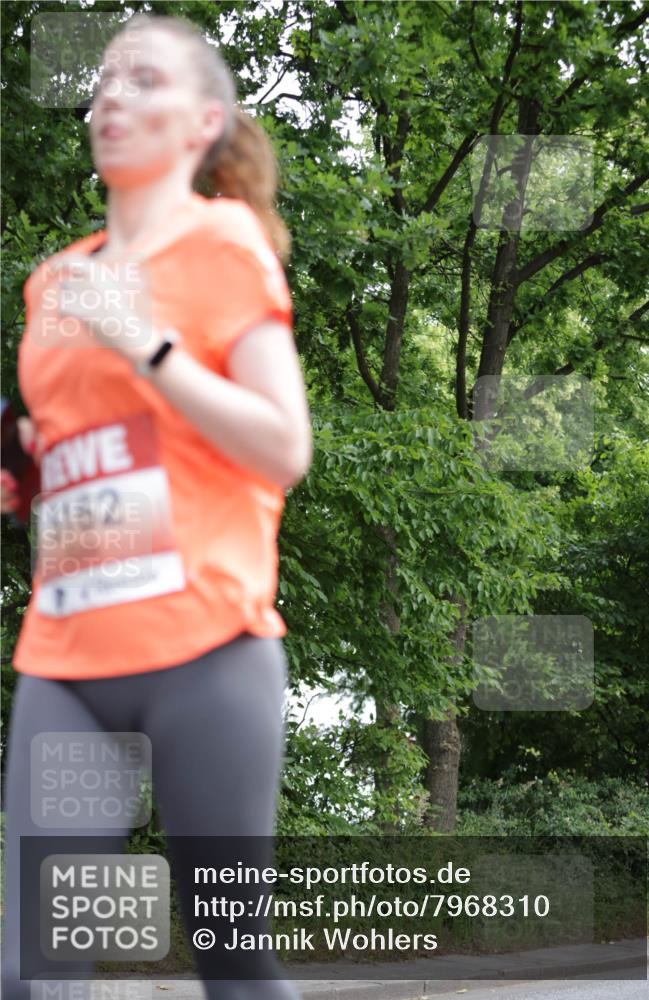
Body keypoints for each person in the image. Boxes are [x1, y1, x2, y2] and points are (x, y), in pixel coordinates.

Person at [1, 12, 311, 1000]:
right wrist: (26, 475)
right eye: (104, 81)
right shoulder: (53, 281)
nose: (112, 97)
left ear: (204, 121)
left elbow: (283, 445)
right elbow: (85, 451)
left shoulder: (222, 243)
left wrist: (146, 343)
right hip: (68, 658)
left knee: (231, 960)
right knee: (29, 970)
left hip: (204, 650)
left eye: (144, 81)